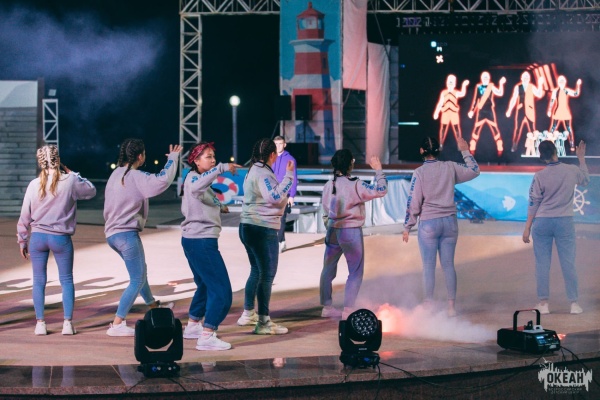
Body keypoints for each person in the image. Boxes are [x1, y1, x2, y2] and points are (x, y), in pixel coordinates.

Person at [103, 138, 182, 337]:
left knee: (140, 272)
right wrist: (173, 158)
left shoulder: (115, 173)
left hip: (112, 234)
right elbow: (162, 180)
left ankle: (153, 306)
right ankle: (117, 323)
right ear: (140, 156)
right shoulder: (136, 176)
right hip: (126, 235)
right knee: (137, 278)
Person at [17, 145, 96, 335]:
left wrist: (22, 240)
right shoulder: (70, 181)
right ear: (58, 160)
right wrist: (74, 174)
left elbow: (24, 216)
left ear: (40, 162)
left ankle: (40, 324)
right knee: (66, 280)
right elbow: (91, 191)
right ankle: (67, 324)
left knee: (38, 281)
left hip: (38, 238)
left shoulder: (34, 184)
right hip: (61, 238)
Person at [403, 137, 480, 317]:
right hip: (450, 223)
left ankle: (429, 305)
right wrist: (465, 151)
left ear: (421, 151)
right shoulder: (450, 167)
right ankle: (451, 307)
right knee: (448, 265)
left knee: (429, 266)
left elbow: (414, 202)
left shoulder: (419, 173)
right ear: (438, 150)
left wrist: (408, 226)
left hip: (429, 223)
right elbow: (474, 171)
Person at [180, 141, 241, 351]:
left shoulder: (197, 179)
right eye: (208, 157)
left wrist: (220, 206)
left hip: (194, 240)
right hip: (201, 242)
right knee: (222, 292)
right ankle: (207, 335)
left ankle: (193, 325)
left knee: (206, 285)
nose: (213, 160)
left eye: (214, 156)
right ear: (196, 161)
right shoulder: (194, 179)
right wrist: (221, 168)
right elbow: (198, 188)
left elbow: (205, 194)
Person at [522, 140, 589, 315]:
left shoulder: (539, 176)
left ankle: (543, 304)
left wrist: (527, 227)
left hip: (542, 222)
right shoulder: (571, 170)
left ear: (541, 156)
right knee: (568, 262)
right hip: (565, 221)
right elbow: (586, 180)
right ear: (555, 151)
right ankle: (574, 303)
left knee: (542, 264)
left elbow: (533, 203)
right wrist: (581, 159)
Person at [320, 150, 388, 319]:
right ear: (350, 164)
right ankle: (348, 309)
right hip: (350, 231)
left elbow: (326, 208)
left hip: (333, 229)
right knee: (355, 271)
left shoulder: (329, 185)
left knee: (328, 269)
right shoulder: (356, 184)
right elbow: (381, 190)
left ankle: (326, 307)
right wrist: (378, 170)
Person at [237, 138, 294, 335]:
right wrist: (289, 176)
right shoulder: (262, 173)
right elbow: (275, 197)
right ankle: (263, 322)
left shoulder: (253, 169)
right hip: (261, 228)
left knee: (256, 271)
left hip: (249, 226)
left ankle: (248, 313)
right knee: (267, 275)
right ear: (272, 155)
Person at [467, 71, 506, 157]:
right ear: (481, 78)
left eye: (487, 77)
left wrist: (501, 83)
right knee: (477, 128)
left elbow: (499, 92)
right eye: (484, 77)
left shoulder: (491, 86)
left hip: (489, 111)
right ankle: (472, 146)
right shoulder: (479, 87)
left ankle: (499, 146)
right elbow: (475, 100)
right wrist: (472, 110)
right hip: (481, 111)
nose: (485, 78)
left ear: (489, 78)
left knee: (494, 128)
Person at [506, 71, 545, 153]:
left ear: (529, 78)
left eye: (527, 76)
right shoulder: (518, 87)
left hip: (529, 110)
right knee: (517, 128)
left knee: (532, 129)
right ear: (521, 78)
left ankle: (535, 147)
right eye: (524, 76)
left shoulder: (532, 86)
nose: (526, 78)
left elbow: (539, 94)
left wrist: (540, 84)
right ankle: (514, 145)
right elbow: (514, 98)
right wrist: (509, 109)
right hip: (521, 110)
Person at [272, 136, 297, 253]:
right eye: (276, 144)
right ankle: (282, 241)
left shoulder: (290, 159)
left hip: (284, 193)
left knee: (281, 219)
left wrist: (292, 196)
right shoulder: (270, 158)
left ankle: (278, 242)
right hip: (272, 193)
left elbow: (294, 178)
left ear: (284, 144)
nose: (278, 146)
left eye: (280, 144)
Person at [433, 74, 469, 149]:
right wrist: (436, 112)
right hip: (445, 112)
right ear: (446, 82)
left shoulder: (456, 92)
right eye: (449, 81)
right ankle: (441, 144)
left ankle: (459, 144)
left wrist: (464, 85)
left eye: (452, 81)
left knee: (456, 129)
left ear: (455, 83)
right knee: (443, 129)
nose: (450, 83)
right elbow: (440, 103)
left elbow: (462, 93)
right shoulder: (444, 93)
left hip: (454, 113)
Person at [547, 76, 582, 152]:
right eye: (560, 81)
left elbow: (575, 93)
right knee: (553, 127)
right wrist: (549, 110)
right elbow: (552, 101)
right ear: (558, 82)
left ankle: (572, 145)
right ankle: (548, 143)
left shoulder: (566, 91)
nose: (561, 82)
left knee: (568, 128)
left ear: (565, 82)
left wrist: (578, 85)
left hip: (565, 111)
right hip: (557, 111)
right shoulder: (555, 91)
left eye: (563, 81)